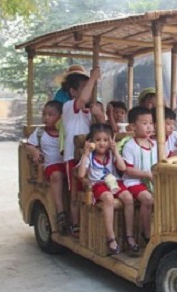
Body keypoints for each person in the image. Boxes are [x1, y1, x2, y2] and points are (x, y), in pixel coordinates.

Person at [77, 123, 135, 255]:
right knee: (108, 198)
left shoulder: (111, 154)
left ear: (111, 141)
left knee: (128, 198)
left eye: (106, 140)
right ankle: (111, 237)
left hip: (114, 182)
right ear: (91, 141)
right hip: (98, 184)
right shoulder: (89, 157)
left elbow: (122, 168)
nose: (102, 143)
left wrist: (115, 152)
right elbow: (80, 175)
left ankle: (129, 236)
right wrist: (85, 154)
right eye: (98, 140)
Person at [62, 66, 105, 237]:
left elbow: (104, 129)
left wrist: (100, 114)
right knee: (75, 191)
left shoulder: (90, 111)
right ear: (73, 91)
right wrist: (93, 78)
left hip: (91, 158)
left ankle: (90, 224)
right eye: (84, 87)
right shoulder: (68, 107)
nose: (88, 92)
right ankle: (75, 224)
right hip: (73, 156)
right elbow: (82, 100)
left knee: (91, 190)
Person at [25, 100, 68, 233]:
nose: (46, 118)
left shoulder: (65, 131)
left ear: (60, 117)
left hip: (65, 163)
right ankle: (61, 212)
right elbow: (29, 145)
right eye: (44, 114)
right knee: (56, 175)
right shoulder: (40, 132)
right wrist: (35, 151)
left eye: (51, 114)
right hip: (51, 165)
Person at [121, 107, 157, 243]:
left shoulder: (155, 145)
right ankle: (147, 233)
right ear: (133, 126)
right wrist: (146, 174)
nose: (149, 127)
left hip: (151, 181)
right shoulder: (130, 146)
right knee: (148, 199)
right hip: (134, 182)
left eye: (151, 123)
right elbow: (127, 170)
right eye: (144, 123)